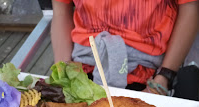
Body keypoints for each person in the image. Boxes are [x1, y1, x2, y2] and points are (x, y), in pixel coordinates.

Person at [51, 0, 199, 100]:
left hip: (148, 76)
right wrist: (63, 73)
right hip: (81, 69)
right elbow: (60, 11)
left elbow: (190, 7)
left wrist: (163, 78)